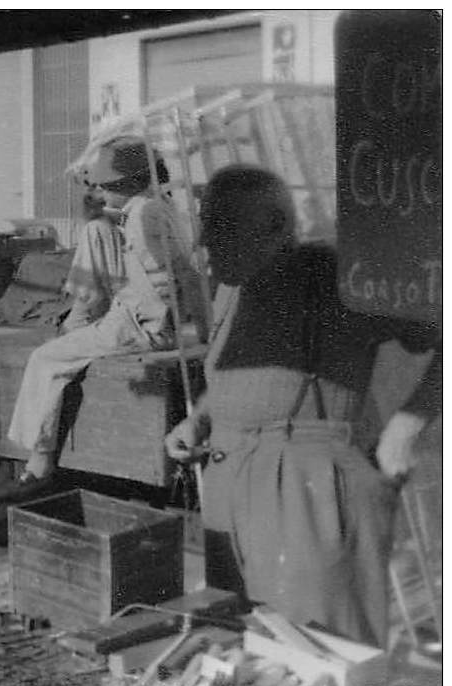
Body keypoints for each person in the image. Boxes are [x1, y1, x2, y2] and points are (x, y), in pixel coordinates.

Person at [164, 165, 441, 647]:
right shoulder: (236, 288)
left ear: (273, 225)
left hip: (306, 491)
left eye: (219, 224)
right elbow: (242, 372)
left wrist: (406, 427)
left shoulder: (334, 276)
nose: (201, 242)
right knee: (244, 649)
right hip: (231, 482)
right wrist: (201, 417)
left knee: (319, 652)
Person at [8, 139, 198, 482]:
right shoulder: (158, 205)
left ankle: (39, 457)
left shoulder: (142, 216)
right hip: (151, 321)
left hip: (136, 325)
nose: (101, 194)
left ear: (125, 184)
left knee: (45, 359)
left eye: (106, 187)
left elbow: (165, 278)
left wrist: (145, 311)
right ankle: (80, 320)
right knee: (96, 229)